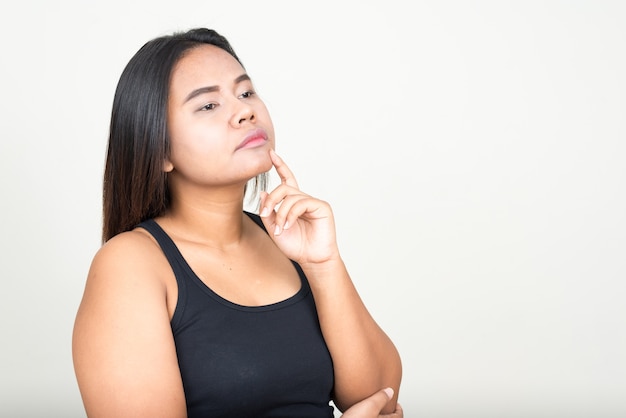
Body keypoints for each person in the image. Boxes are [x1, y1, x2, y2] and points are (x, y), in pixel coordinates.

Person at [72, 27, 402, 417]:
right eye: (208, 105)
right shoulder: (130, 264)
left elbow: (380, 395)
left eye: (245, 93)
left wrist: (323, 265)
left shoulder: (289, 240)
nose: (246, 110)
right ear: (158, 149)